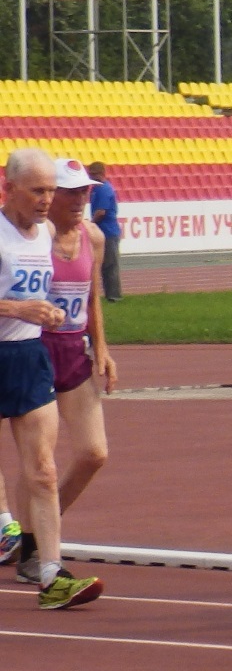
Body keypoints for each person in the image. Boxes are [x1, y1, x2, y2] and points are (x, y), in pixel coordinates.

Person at [0, 150, 101, 611]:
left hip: (28, 355)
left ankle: (49, 572)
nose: (47, 200)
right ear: (9, 188)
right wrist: (16, 308)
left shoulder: (45, 234)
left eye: (50, 191)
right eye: (38, 191)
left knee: (42, 468)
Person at [19, 160, 117, 584]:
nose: (81, 200)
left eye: (86, 193)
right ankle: (33, 549)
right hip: (33, 350)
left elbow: (93, 296)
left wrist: (103, 348)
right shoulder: (33, 239)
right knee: (39, 461)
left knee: (94, 453)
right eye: (71, 192)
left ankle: (35, 538)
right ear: (49, 195)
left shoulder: (92, 237)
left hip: (73, 352)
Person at [86, 162, 120, 303]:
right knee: (100, 264)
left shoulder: (104, 189)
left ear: (99, 174)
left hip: (108, 231)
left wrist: (91, 223)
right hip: (102, 231)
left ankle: (114, 295)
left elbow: (101, 211)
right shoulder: (96, 189)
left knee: (110, 264)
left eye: (92, 175)